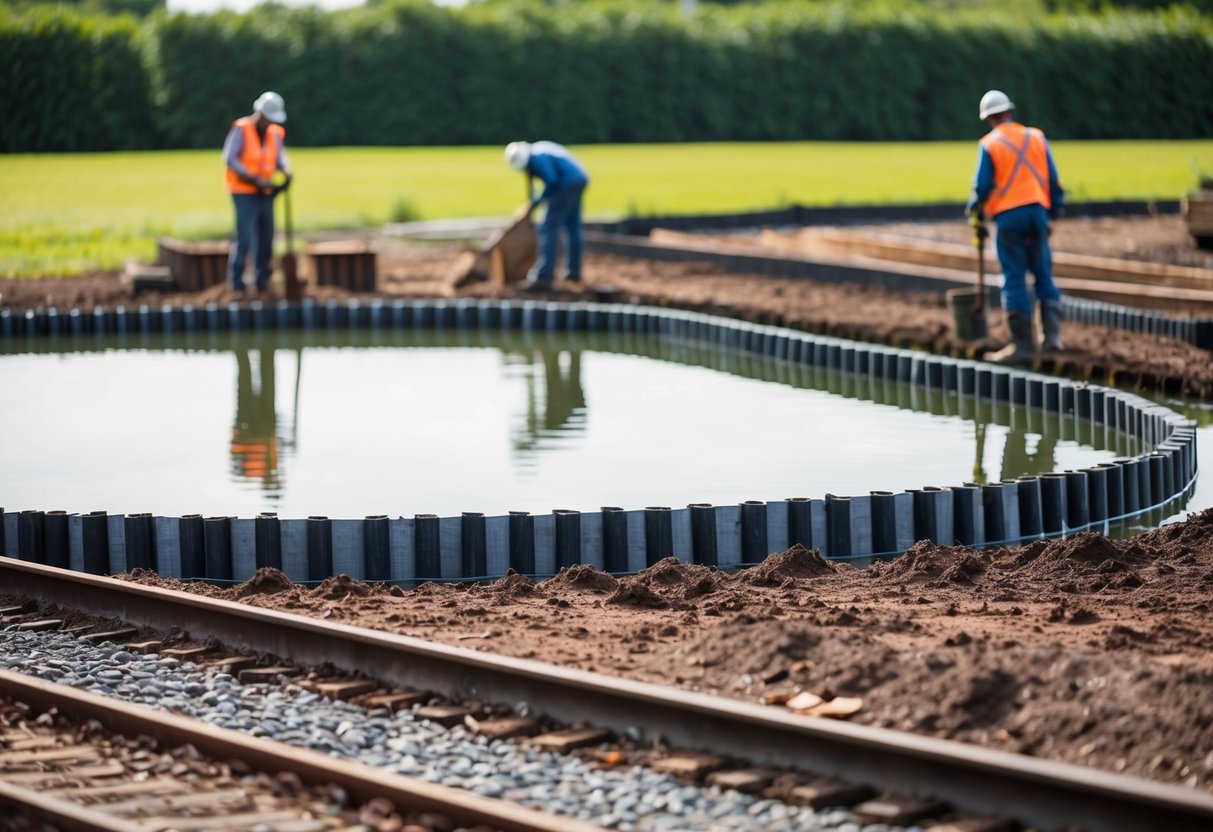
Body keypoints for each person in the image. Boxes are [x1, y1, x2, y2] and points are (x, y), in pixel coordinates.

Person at [965, 89, 1065, 365]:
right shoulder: (1036, 137)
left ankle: (1022, 346)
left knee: (1014, 277)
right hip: (1037, 212)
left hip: (1009, 218)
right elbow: (1054, 181)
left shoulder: (989, 144)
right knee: (1043, 272)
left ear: (988, 119)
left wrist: (974, 211)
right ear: (1010, 111)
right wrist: (1052, 215)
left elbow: (982, 187)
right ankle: (1052, 338)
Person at [223, 91, 293, 298]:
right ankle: (237, 283)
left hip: (265, 192)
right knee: (244, 237)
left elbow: (280, 158)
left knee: (266, 235)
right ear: (260, 113)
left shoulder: (275, 133)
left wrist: (287, 172)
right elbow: (230, 159)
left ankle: (262, 281)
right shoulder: (241, 129)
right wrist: (253, 179)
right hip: (244, 191)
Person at [504, 140, 590, 288]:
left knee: (548, 227)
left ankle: (544, 275)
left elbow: (552, 181)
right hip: (579, 179)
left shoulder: (537, 158)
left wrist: (536, 202)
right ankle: (573, 272)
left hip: (566, 184)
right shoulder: (538, 150)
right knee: (572, 227)